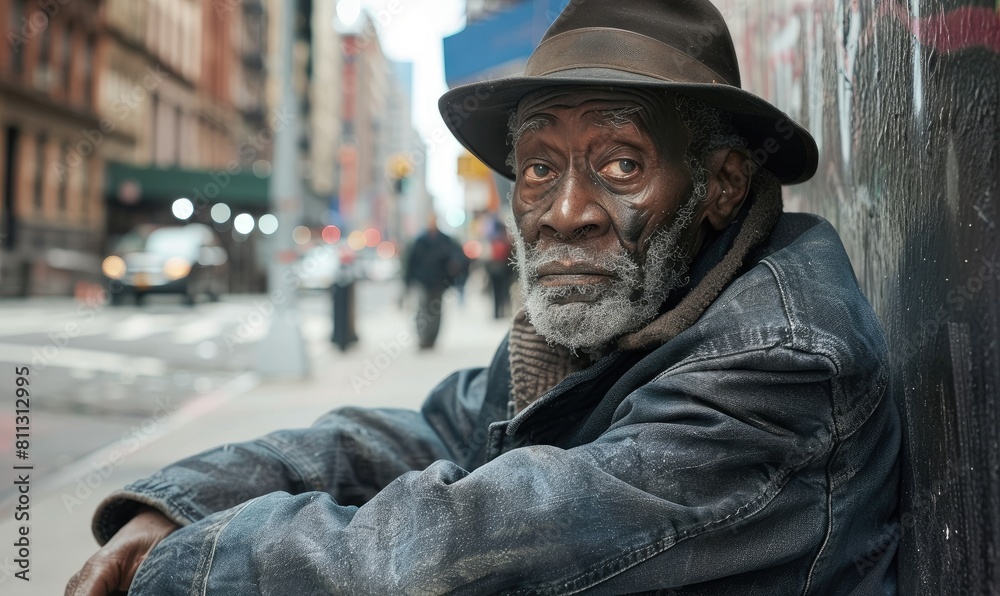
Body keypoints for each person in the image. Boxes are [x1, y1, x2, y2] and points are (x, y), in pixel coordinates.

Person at [66, 1, 900, 594]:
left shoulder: (778, 364)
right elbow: (438, 428)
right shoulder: (606, 324)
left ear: (721, 184)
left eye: (620, 164)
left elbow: (458, 556)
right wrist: (179, 502)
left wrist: (173, 567)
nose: (565, 213)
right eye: (539, 167)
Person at [403, 213, 466, 348]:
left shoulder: (445, 240)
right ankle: (422, 338)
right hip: (422, 281)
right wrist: (408, 281)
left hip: (439, 282)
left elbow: (458, 257)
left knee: (435, 312)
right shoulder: (420, 240)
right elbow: (411, 262)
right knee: (422, 310)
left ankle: (432, 339)